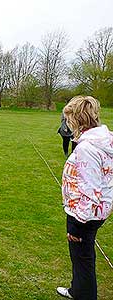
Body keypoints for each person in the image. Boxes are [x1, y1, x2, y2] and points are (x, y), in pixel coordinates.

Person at [57, 96, 113, 300]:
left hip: (84, 216)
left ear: (77, 119)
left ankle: (83, 294)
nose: (67, 123)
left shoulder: (87, 148)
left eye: (69, 118)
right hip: (96, 212)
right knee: (82, 257)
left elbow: (90, 193)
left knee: (83, 259)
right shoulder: (103, 140)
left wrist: (77, 225)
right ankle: (76, 289)